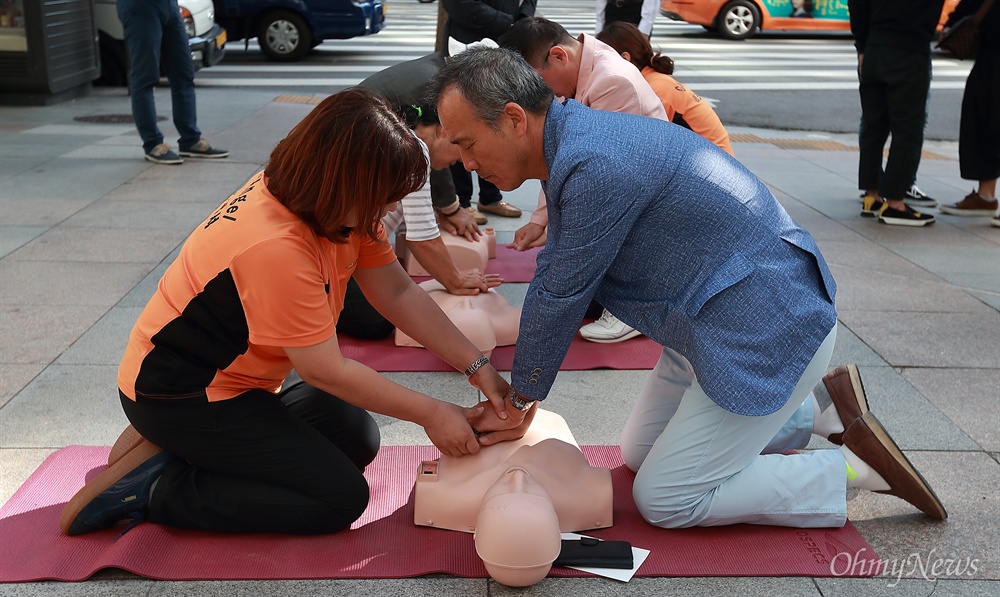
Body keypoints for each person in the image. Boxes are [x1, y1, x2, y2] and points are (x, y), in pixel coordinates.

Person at [429, 47, 947, 529]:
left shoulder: (595, 163)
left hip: (763, 332)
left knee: (668, 499)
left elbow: (560, 291)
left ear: (516, 119)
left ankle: (853, 470)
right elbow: (556, 277)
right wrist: (520, 391)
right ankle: (821, 412)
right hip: (708, 326)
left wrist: (521, 400)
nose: (467, 163)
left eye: (469, 143)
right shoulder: (577, 143)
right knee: (638, 454)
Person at [58, 88, 512, 537]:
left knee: (356, 437)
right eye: (385, 195)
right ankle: (155, 487)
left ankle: (189, 450)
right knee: (338, 498)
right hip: (179, 393)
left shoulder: (329, 201)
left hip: (241, 379)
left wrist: (478, 367)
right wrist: (434, 413)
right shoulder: (278, 245)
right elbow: (325, 371)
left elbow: (396, 292)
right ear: (349, 181)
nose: (391, 208)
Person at [501, 16, 669, 344]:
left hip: (646, 202)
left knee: (568, 271)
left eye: (539, 80)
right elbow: (560, 154)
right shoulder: (582, 69)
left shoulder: (612, 82)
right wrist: (540, 221)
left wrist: (557, 234)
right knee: (569, 284)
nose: (542, 92)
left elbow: (602, 181)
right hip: (628, 188)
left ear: (559, 56)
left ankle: (636, 307)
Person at [849, 0, 945, 226]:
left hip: (874, 47)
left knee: (874, 124)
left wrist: (862, 47)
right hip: (910, 49)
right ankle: (894, 203)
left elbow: (857, 4)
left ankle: (872, 195)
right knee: (907, 129)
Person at [441, 0, 537, 222]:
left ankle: (490, 195)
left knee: (496, 120)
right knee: (464, 124)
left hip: (504, 41)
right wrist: (507, 22)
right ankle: (462, 201)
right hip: (468, 38)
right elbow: (459, 5)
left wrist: (522, 20)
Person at [596, 21, 734, 157]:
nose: (599, 68)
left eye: (602, 60)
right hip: (712, 162)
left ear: (625, 58)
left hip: (713, 166)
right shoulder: (653, 80)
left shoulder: (653, 90)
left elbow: (646, 148)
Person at [117, 0, 228, 164]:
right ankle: (153, 143)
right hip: (141, 7)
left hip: (169, 6)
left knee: (183, 72)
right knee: (146, 76)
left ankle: (190, 140)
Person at [937, 0, 1000, 225]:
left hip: (991, 58)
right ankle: (985, 197)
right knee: (982, 123)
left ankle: (985, 196)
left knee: (985, 121)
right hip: (990, 56)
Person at [594, 0, 660, 37]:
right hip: (611, 10)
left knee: (633, 55)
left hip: (635, 12)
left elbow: (651, 4)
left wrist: (643, 33)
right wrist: (599, 29)